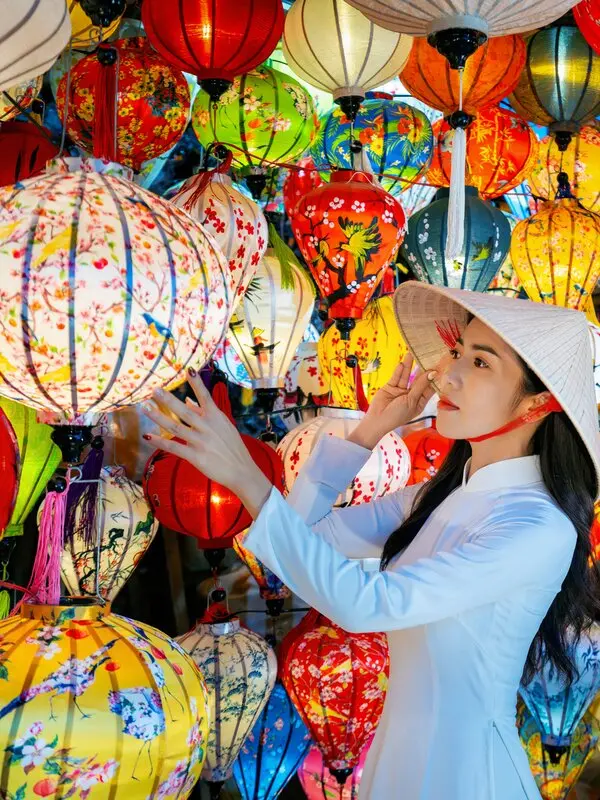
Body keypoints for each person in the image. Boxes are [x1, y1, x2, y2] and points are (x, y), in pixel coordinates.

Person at [141, 281, 600, 800]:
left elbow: (367, 606)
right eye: (459, 352)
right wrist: (365, 435)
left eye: (480, 363)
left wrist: (249, 478)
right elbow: (309, 533)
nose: (448, 374)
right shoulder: (443, 494)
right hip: (393, 762)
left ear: (539, 402)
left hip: (468, 772)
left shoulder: (537, 526)